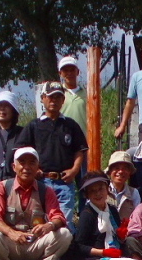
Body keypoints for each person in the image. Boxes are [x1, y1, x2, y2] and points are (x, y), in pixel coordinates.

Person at [16, 81, 88, 233]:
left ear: (63, 100)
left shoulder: (70, 125)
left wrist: (74, 170)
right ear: (43, 98)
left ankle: (67, 248)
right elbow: (20, 151)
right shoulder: (34, 126)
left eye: (58, 97)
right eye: (50, 97)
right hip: (40, 182)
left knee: (64, 224)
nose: (54, 100)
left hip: (64, 183)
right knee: (38, 223)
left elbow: (80, 150)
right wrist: (33, 170)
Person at [68, 171, 142, 260]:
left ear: (107, 189)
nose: (98, 194)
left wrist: (121, 235)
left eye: (100, 189)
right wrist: (103, 252)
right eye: (92, 191)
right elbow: (79, 246)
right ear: (87, 195)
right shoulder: (87, 214)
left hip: (115, 256)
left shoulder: (111, 210)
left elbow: (118, 238)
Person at [0, 147, 72, 260]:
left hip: (35, 243)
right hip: (11, 243)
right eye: (22, 162)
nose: (27, 167)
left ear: (38, 167)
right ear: (14, 167)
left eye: (32, 163)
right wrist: (12, 233)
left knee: (64, 234)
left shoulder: (46, 190)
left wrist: (49, 225)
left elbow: (58, 217)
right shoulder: (2, 188)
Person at [105, 151, 141, 222]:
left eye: (125, 168)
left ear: (129, 173)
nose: (121, 171)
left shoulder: (134, 193)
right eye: (116, 168)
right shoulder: (102, 190)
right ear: (110, 171)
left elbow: (137, 219)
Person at [58, 56, 88, 136]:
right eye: (65, 71)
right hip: (62, 138)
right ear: (60, 73)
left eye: (72, 70)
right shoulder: (57, 94)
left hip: (83, 138)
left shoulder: (87, 94)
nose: (69, 73)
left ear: (77, 72)